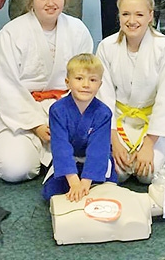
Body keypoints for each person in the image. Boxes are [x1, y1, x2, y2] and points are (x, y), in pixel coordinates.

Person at [0, 0, 93, 183]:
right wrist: (36, 124)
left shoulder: (77, 30)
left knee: (90, 158)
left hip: (66, 110)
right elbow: (6, 85)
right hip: (22, 112)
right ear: (31, 1)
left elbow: (86, 80)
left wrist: (65, 118)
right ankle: (42, 155)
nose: (50, 3)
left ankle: (55, 158)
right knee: (13, 169)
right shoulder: (12, 33)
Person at [96, 0, 165, 183]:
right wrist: (113, 141)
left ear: (151, 16)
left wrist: (149, 144)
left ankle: (157, 150)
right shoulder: (106, 47)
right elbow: (104, 97)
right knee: (120, 172)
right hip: (118, 121)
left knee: (147, 174)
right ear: (118, 15)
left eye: (139, 14)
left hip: (153, 122)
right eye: (126, 14)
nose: (131, 21)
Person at [42, 53, 116, 201]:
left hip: (96, 161)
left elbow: (99, 149)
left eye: (93, 79)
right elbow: (61, 147)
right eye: (79, 78)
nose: (86, 85)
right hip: (69, 162)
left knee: (106, 193)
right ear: (67, 82)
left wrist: (85, 182)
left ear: (100, 84)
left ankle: (91, 183)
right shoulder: (57, 110)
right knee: (51, 193)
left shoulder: (103, 113)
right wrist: (74, 182)